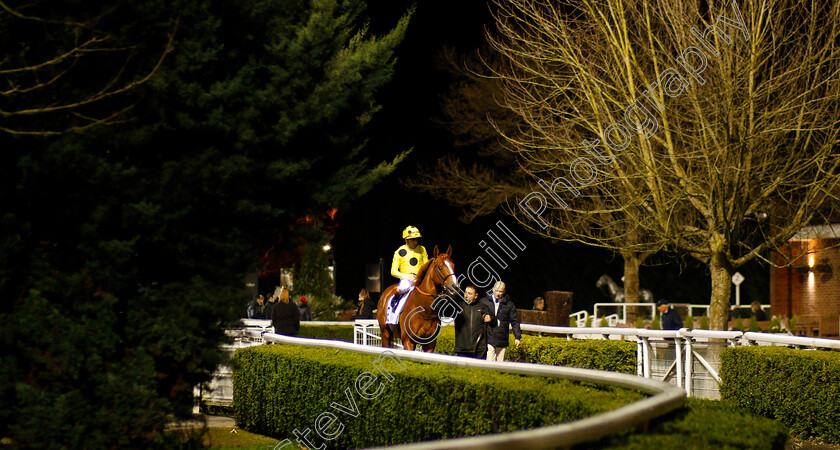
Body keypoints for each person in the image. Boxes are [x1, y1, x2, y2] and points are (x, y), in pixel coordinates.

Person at [386, 225, 429, 325]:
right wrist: (407, 277)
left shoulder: (422, 249)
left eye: (417, 239)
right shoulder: (399, 252)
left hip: (419, 278)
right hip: (406, 279)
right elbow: (393, 271)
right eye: (413, 239)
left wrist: (420, 276)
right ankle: (394, 301)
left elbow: (426, 265)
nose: (416, 242)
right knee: (404, 287)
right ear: (406, 240)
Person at [480, 281, 521, 361]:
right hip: (488, 337)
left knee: (500, 364)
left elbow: (515, 321)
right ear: (492, 289)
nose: (498, 293)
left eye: (500, 291)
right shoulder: (483, 302)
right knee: (489, 362)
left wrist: (517, 337)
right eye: (496, 290)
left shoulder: (509, 305)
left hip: (502, 339)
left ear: (504, 291)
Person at [454, 285, 495, 359]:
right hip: (462, 350)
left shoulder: (483, 307)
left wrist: (491, 319)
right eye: (465, 292)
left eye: (469, 293)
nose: (466, 295)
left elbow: (494, 322)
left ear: (476, 296)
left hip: (479, 350)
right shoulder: (458, 307)